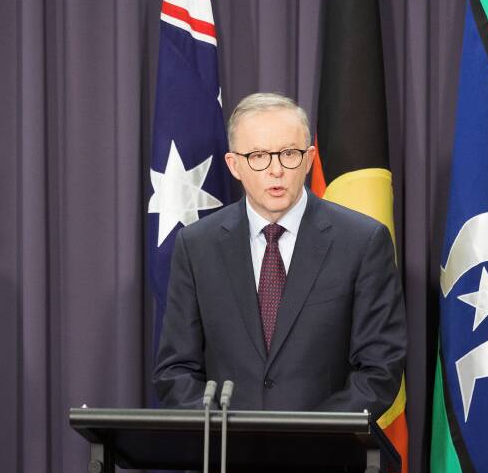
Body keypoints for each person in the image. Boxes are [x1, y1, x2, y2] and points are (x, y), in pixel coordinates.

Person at [153, 92, 406, 416]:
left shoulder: (362, 241)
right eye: (258, 156)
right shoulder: (197, 245)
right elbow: (176, 370)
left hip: (326, 458)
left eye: (289, 153)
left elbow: (379, 369)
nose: (276, 170)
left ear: (309, 157)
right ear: (234, 165)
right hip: (225, 457)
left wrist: (307, 437)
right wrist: (226, 434)